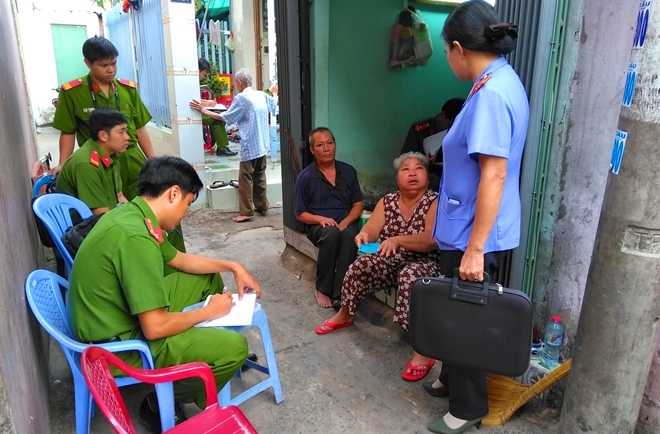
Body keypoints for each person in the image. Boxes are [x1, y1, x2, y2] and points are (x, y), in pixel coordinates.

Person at [67, 156, 262, 432]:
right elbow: (154, 328)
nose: (185, 212)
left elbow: (179, 260)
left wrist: (233, 266)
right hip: (117, 346)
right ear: (173, 193)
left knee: (205, 277)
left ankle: (205, 346)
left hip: (106, 317)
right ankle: (161, 402)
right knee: (235, 350)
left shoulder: (134, 213)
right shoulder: (137, 238)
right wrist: (207, 312)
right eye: (188, 203)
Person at [422, 2, 529, 433]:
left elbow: (495, 172)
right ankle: (451, 379)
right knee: (456, 307)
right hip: (468, 225)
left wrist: (475, 248)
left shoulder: (490, 95)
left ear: (458, 48)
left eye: (446, 52)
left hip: (475, 233)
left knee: (466, 317)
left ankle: (467, 409)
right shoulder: (500, 79)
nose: (447, 61)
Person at [314, 152, 440, 382]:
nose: (412, 173)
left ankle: (422, 351)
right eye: (405, 169)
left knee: (410, 277)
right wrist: (363, 234)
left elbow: (430, 239)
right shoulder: (388, 201)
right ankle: (344, 314)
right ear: (396, 178)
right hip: (391, 259)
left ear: (427, 176)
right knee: (361, 265)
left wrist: (398, 240)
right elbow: (373, 228)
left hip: (424, 262)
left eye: (418, 168)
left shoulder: (434, 201)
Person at [51, 36, 155, 201]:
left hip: (132, 159)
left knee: (148, 204)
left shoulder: (127, 89)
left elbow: (140, 127)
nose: (111, 70)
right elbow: (68, 131)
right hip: (99, 162)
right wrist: (63, 163)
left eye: (114, 63)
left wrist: (152, 160)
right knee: (111, 211)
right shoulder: (72, 92)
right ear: (88, 63)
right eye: (104, 65)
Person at [190, 68, 278, 222]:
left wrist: (204, 110)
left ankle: (246, 212)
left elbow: (226, 117)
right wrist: (275, 92)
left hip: (250, 146)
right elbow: (274, 104)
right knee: (260, 176)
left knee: (245, 178)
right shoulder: (260, 95)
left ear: (239, 82)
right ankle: (263, 206)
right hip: (263, 145)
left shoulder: (242, 98)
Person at [295, 127, 364, 309]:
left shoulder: (348, 172)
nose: (326, 149)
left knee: (350, 236)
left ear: (335, 145)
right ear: (312, 150)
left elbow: (358, 204)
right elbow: (300, 213)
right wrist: (320, 219)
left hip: (345, 220)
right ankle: (323, 288)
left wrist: (346, 221)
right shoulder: (306, 177)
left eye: (330, 143)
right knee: (331, 235)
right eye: (320, 145)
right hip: (318, 225)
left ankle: (341, 292)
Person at [55, 108, 129, 214]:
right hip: (82, 225)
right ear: (103, 135)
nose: (127, 137)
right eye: (121, 132)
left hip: (107, 216)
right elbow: (101, 215)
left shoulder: (112, 155)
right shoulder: (86, 165)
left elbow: (120, 196)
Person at [400, 98, 464, 192]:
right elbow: (404, 157)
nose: (453, 128)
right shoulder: (420, 129)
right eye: (450, 124)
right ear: (442, 115)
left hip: (453, 170)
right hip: (428, 170)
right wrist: (422, 159)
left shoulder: (463, 129)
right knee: (434, 182)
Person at [198, 58, 236, 156]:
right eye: (204, 74)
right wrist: (208, 103)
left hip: (197, 110)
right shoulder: (190, 82)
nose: (204, 78)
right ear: (198, 70)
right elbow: (194, 101)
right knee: (217, 118)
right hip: (194, 113)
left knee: (218, 115)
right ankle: (221, 148)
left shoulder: (193, 81)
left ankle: (219, 145)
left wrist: (206, 102)